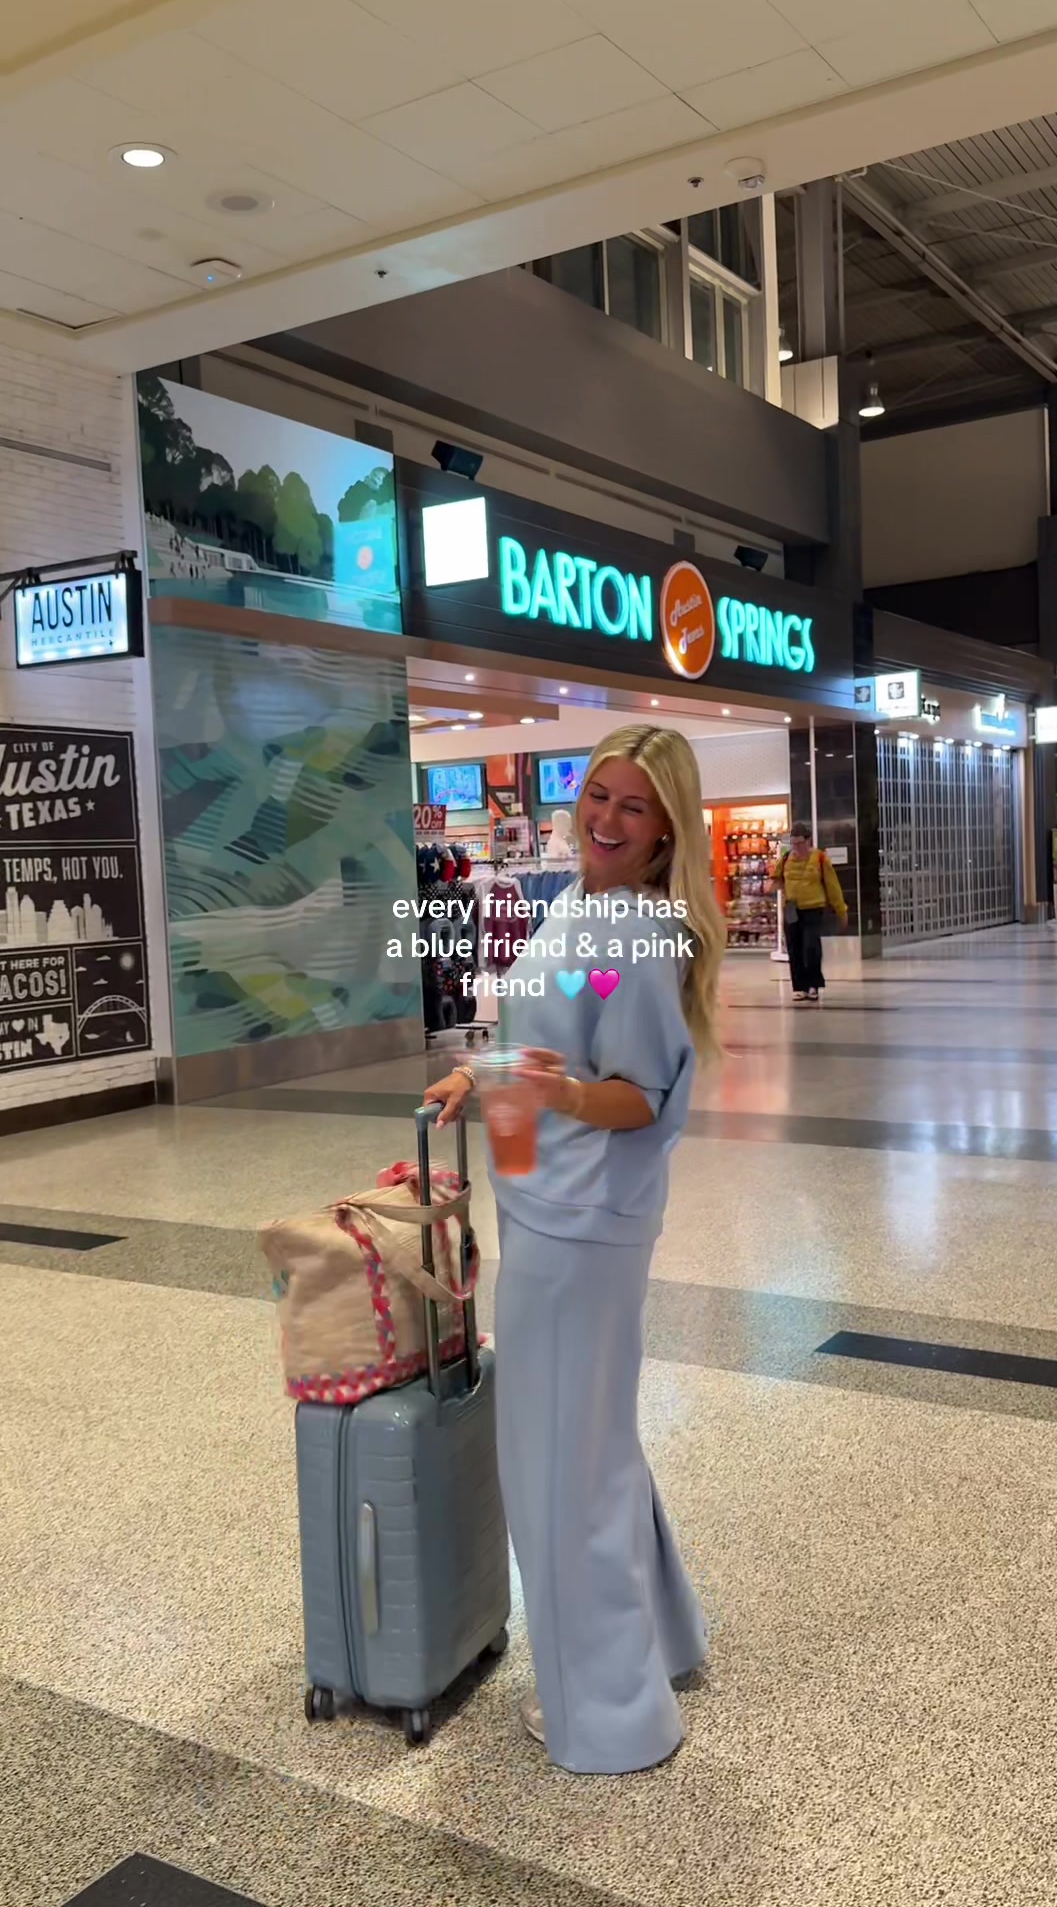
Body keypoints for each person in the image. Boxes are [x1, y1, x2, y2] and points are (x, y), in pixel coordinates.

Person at [424, 726, 725, 1776]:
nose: (604, 818)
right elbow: (558, 1036)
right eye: (599, 794)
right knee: (592, 1444)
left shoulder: (637, 932)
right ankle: (659, 1642)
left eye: (632, 806)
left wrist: (556, 1096)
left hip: (579, 1223)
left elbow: (641, 1095)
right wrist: (485, 1072)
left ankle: (608, 1714)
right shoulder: (588, 907)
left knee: (556, 1463)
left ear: (666, 829)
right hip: (562, 1211)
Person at [772, 822, 848, 1002]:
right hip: (792, 909)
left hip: (813, 909)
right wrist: (774, 886)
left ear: (808, 841)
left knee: (811, 947)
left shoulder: (820, 859)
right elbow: (775, 879)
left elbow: (833, 887)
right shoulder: (785, 859)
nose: (797, 847)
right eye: (793, 843)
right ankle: (799, 987)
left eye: (800, 843)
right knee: (794, 948)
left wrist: (841, 910)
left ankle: (813, 984)